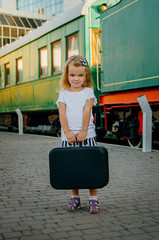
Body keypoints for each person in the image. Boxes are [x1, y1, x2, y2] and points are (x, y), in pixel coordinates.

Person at [56, 55, 99, 214]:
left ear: (86, 76)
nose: (76, 78)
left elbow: (87, 110)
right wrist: (67, 132)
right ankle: (75, 198)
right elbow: (62, 114)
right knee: (72, 168)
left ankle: (93, 199)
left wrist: (83, 131)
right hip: (68, 138)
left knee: (90, 166)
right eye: (72, 75)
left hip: (87, 136)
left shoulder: (88, 92)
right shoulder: (63, 94)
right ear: (67, 75)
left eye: (80, 75)